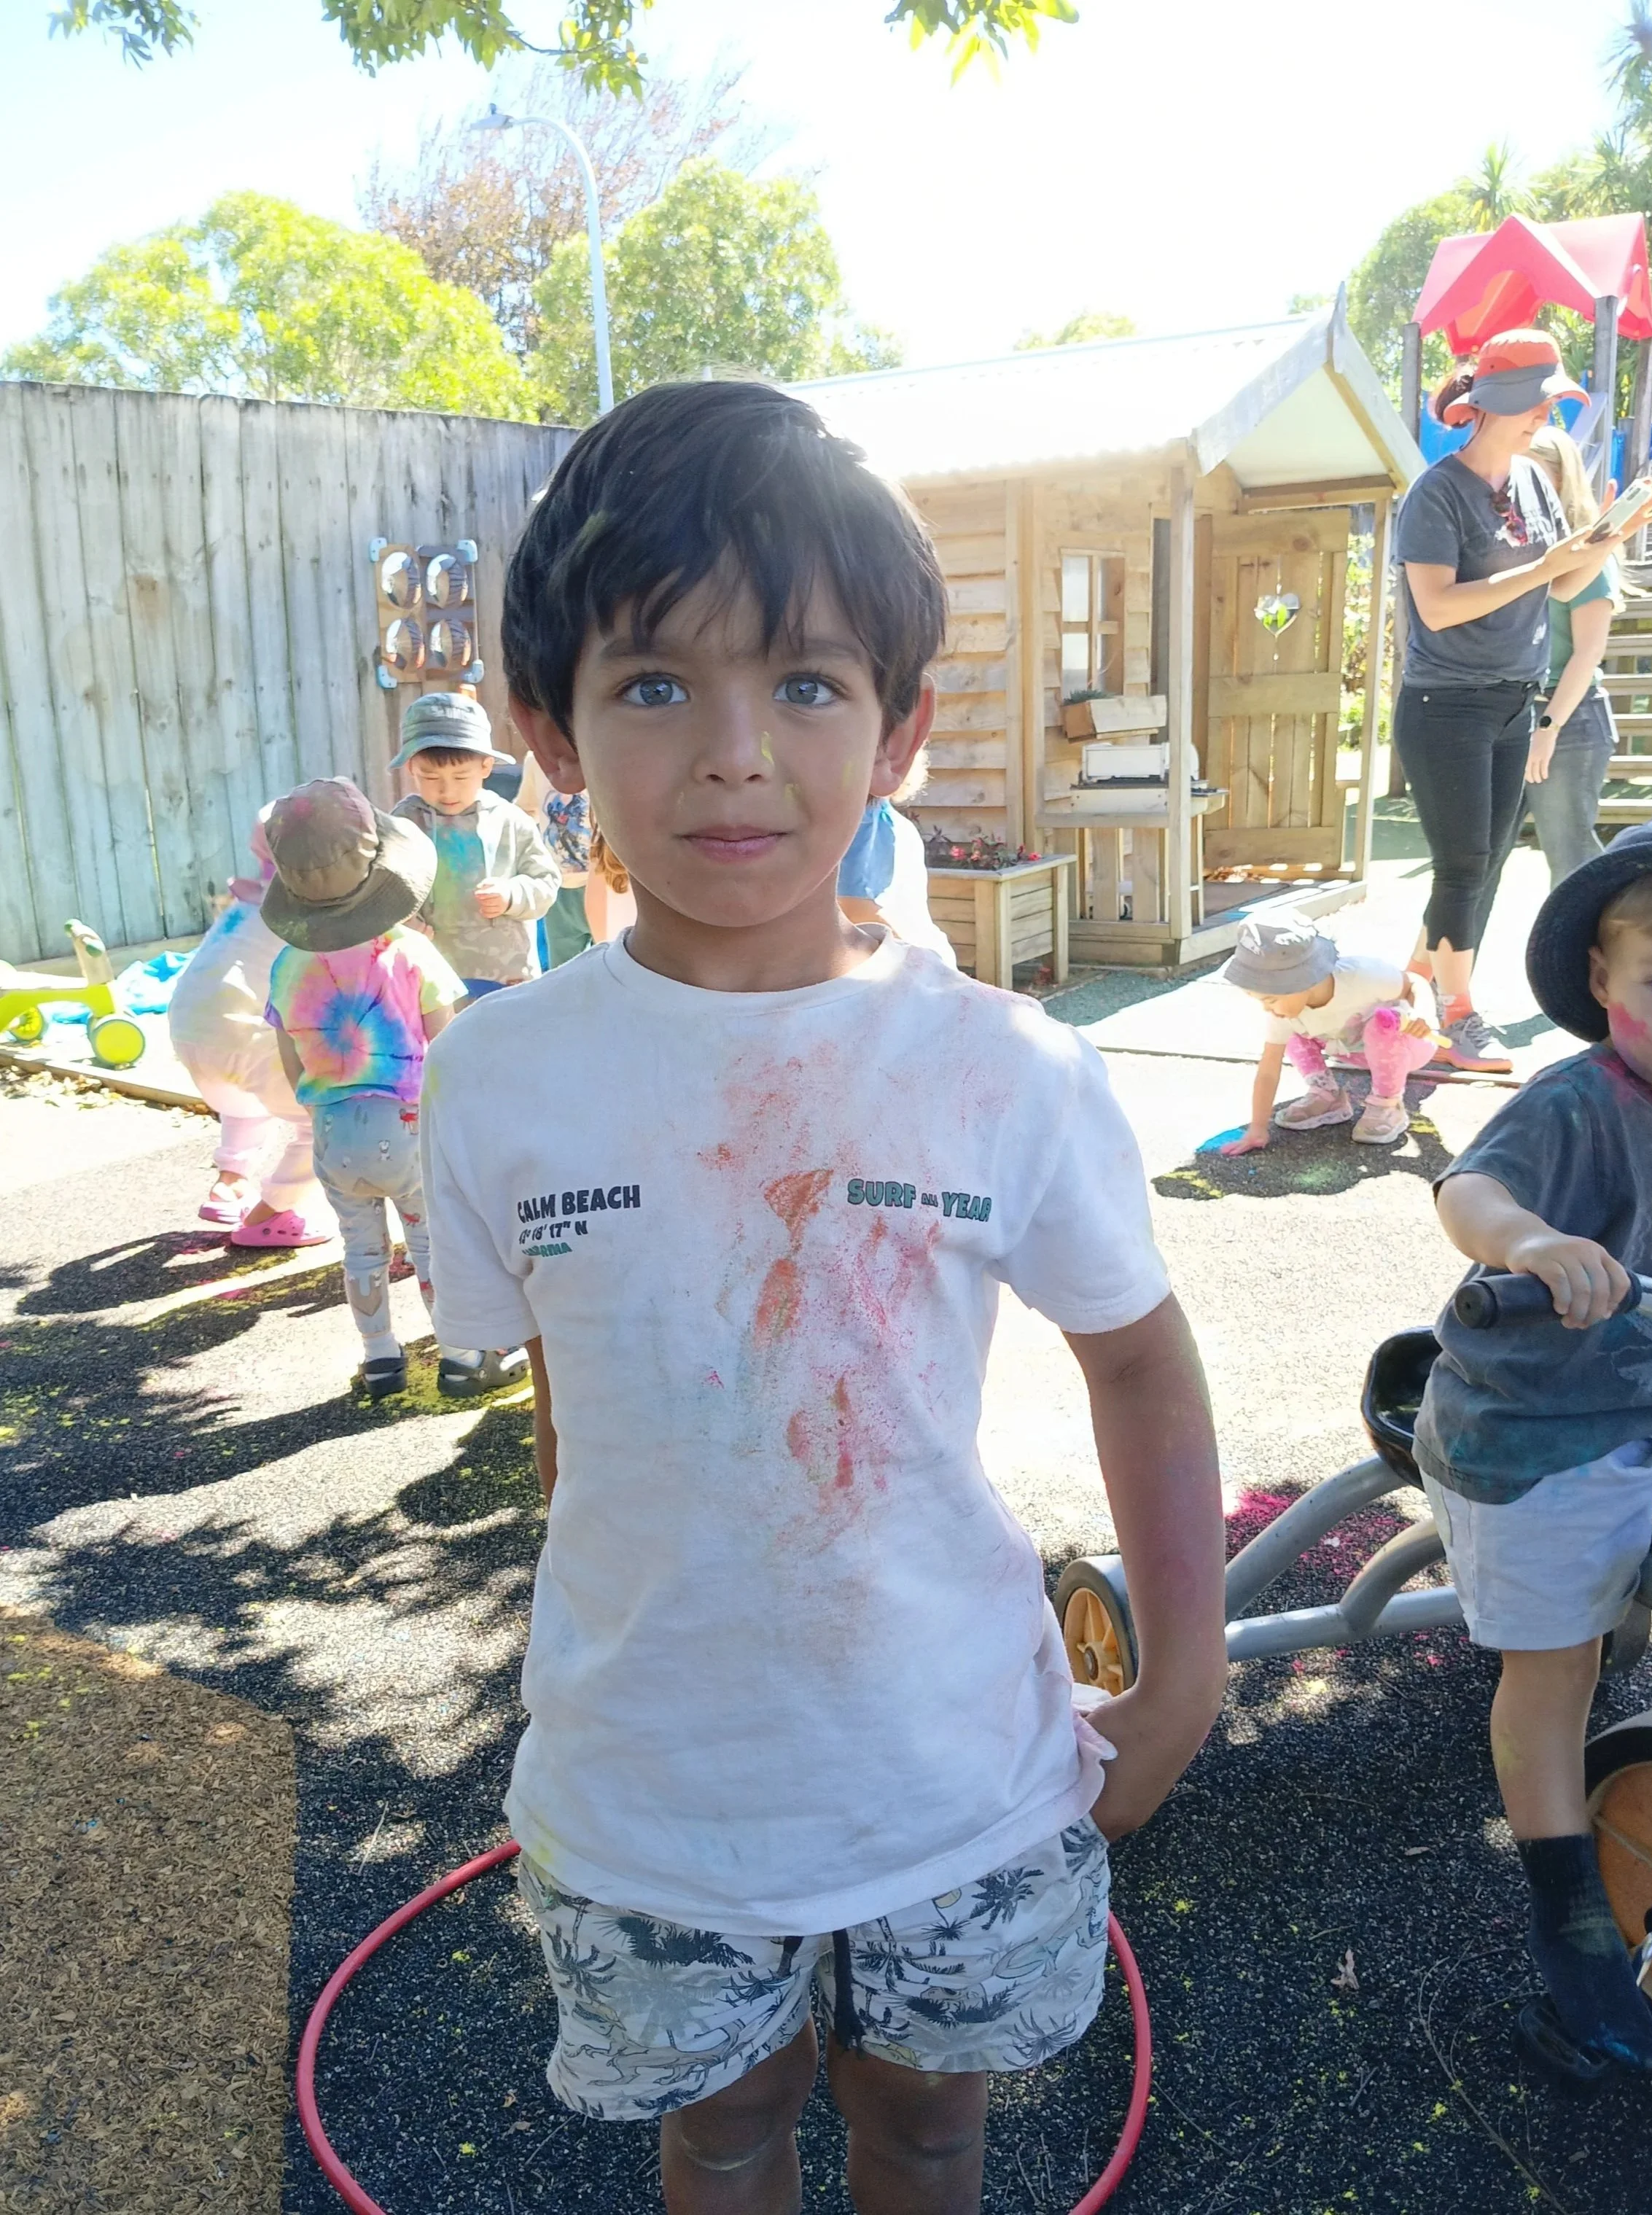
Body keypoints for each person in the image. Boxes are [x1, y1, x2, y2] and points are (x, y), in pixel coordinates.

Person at [421, 380, 1227, 2215]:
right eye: (651, 686)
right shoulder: (502, 1077)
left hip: (962, 1779)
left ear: (901, 730)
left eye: (803, 683)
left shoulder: (1003, 1067)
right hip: (648, 1797)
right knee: (720, 2125)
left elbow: (1141, 1364)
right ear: (547, 723)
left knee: (929, 2124)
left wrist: (1179, 1687)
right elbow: (569, 1384)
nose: (731, 754)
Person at [1414, 814, 1652, 2073]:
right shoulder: (1577, 1104)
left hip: (1648, 1410)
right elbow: (1468, 1189)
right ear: (1601, 985)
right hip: (1540, 1428)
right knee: (1554, 1664)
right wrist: (1529, 1243)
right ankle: (1567, 1923)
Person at [1392, 330, 1652, 1073]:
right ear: (1499, 404)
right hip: (1444, 703)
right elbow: (1438, 606)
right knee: (1462, 864)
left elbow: (1564, 587)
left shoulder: (1534, 485)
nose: (1547, 415)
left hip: (1515, 697)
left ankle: (1406, 996)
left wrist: (1606, 540)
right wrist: (1547, 562)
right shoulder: (1435, 493)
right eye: (1541, 401)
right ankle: (1456, 1017)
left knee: (1476, 864)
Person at [261, 777, 526, 1404]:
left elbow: (289, 1059)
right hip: (407, 1126)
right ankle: (462, 1358)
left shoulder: (288, 965)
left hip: (333, 1131)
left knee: (361, 1250)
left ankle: (380, 1357)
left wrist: (323, 1096)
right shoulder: (408, 951)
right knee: (434, 1244)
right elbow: (449, 1047)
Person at [166, 807, 331, 1248]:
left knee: (246, 1096)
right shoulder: (306, 915)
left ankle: (231, 1182)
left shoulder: (244, 907)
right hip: (241, 1036)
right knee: (326, 1119)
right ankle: (270, 1214)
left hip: (188, 1034)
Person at [1217, 913, 1438, 1152]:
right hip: (1352, 1050)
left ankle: (1387, 1104)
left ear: (1302, 981)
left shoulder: (1362, 976)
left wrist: (1422, 1014)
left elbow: (1414, 981)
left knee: (1380, 1024)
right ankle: (1327, 1095)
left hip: (1409, 1043)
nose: (1266, 1007)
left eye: (1270, 999)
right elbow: (1268, 1070)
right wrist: (1257, 1130)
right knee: (1291, 1029)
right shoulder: (1284, 1010)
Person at [389, 691, 558, 1001]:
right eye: (430, 777)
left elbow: (547, 883)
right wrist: (402, 922)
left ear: (486, 766)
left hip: (506, 973)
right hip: (431, 974)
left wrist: (511, 895)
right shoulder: (405, 824)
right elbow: (381, 888)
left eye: (461, 776)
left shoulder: (510, 822)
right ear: (411, 767)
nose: (446, 790)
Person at [1522, 423, 1623, 887]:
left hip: (1571, 719)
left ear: (1563, 478)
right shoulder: (1521, 549)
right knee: (1476, 861)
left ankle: (1590, 958)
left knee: (1571, 863)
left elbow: (1589, 653)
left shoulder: (1589, 551)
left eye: (1537, 473)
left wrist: (1548, 729)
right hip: (1512, 713)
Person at [835, 759, 958, 965]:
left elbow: (854, 909)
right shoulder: (884, 820)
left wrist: (918, 967)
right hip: (919, 961)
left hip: (904, 968)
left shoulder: (868, 821)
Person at [516, 748, 596, 971]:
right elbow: (526, 810)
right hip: (558, 889)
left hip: (604, 886)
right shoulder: (537, 760)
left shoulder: (602, 753)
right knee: (561, 971)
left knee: (615, 968)